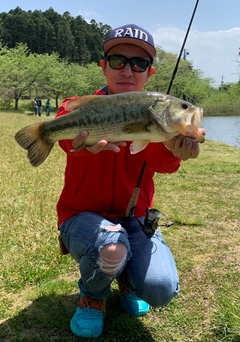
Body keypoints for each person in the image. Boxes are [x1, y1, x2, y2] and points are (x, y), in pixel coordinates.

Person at [56, 24, 206, 339]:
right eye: (117, 60)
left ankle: (128, 278)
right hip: (82, 218)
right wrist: (84, 146)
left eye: (138, 64)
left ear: (148, 73)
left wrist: (176, 148)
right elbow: (63, 133)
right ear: (103, 66)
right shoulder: (83, 104)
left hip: (135, 219)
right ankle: (93, 296)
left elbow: (163, 165)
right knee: (110, 246)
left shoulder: (159, 121)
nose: (127, 70)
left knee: (161, 287)